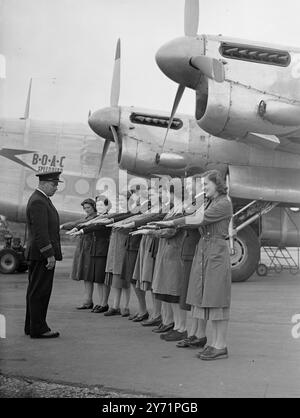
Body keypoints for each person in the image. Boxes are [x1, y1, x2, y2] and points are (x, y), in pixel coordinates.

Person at [160, 170, 233, 360]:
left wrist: (171, 223)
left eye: (206, 184)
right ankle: (213, 343)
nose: (203, 188)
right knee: (207, 298)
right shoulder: (211, 202)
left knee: (217, 300)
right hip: (206, 250)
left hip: (215, 250)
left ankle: (221, 345)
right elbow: (194, 216)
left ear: (217, 184)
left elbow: (198, 220)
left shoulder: (224, 203)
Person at [24, 171, 63, 339]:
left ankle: (31, 325)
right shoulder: (39, 202)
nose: (56, 188)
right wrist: (49, 254)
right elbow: (41, 232)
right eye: (54, 185)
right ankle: (39, 328)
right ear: (45, 184)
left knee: (34, 290)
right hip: (41, 255)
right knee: (40, 291)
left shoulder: (41, 199)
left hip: (38, 253)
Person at [60, 198, 98, 309]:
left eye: (88, 208)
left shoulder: (94, 218)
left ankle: (88, 301)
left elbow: (78, 223)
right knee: (86, 276)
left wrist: (63, 226)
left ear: (93, 207)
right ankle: (88, 300)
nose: (86, 210)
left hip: (89, 248)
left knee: (88, 275)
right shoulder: (88, 217)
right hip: (84, 247)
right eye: (85, 208)